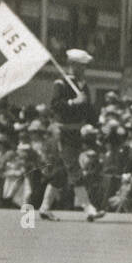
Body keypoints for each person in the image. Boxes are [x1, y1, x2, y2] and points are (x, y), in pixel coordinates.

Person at [42, 49, 105, 222]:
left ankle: (45, 208)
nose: (84, 69)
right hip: (63, 132)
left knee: (60, 172)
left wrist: (97, 124)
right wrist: (72, 102)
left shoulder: (83, 85)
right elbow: (54, 105)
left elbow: (88, 109)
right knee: (74, 169)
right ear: (73, 65)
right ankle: (89, 208)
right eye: (82, 65)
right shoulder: (61, 83)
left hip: (76, 132)